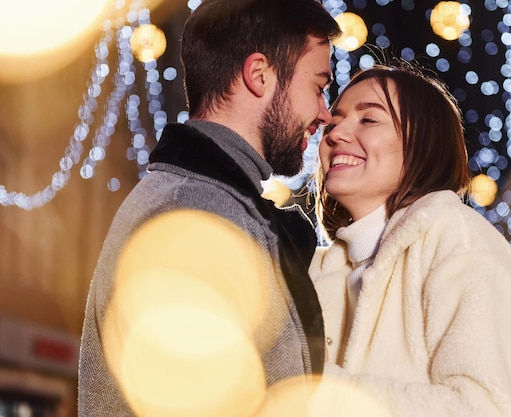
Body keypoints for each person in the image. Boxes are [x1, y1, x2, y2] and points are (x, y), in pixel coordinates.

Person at [78, 1, 341, 416]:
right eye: (319, 86)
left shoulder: (211, 205)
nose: (324, 114)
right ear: (259, 76)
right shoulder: (195, 217)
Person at [309, 62, 511, 416]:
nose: (335, 134)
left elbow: (490, 408)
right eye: (334, 121)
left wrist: (320, 389)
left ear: (422, 142)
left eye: (368, 119)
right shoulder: (321, 273)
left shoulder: (458, 241)